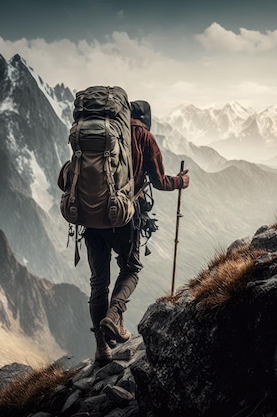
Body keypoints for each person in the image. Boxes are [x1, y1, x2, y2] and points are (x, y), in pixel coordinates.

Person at [84, 100, 190, 363]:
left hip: (92, 218)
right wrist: (181, 181)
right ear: (147, 119)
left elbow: (65, 179)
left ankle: (102, 348)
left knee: (98, 284)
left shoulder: (96, 136)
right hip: (125, 219)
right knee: (130, 269)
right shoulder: (144, 136)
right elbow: (160, 181)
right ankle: (114, 315)